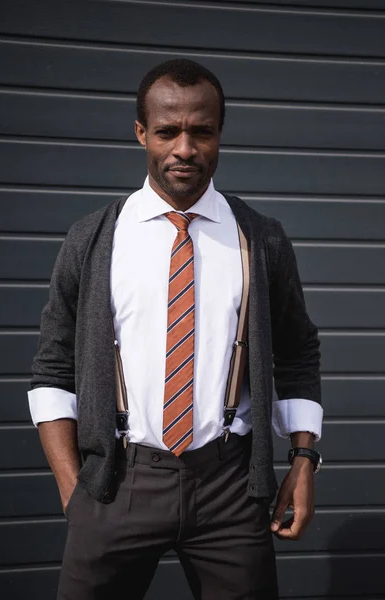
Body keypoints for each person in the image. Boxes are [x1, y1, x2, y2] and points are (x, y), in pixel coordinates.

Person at [28, 59, 323, 600]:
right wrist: (75, 491)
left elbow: (299, 351)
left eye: (201, 132)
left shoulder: (261, 239)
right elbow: (51, 367)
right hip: (119, 481)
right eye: (167, 131)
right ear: (141, 133)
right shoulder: (92, 239)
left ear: (219, 135)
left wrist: (303, 460)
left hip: (230, 487)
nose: (184, 149)